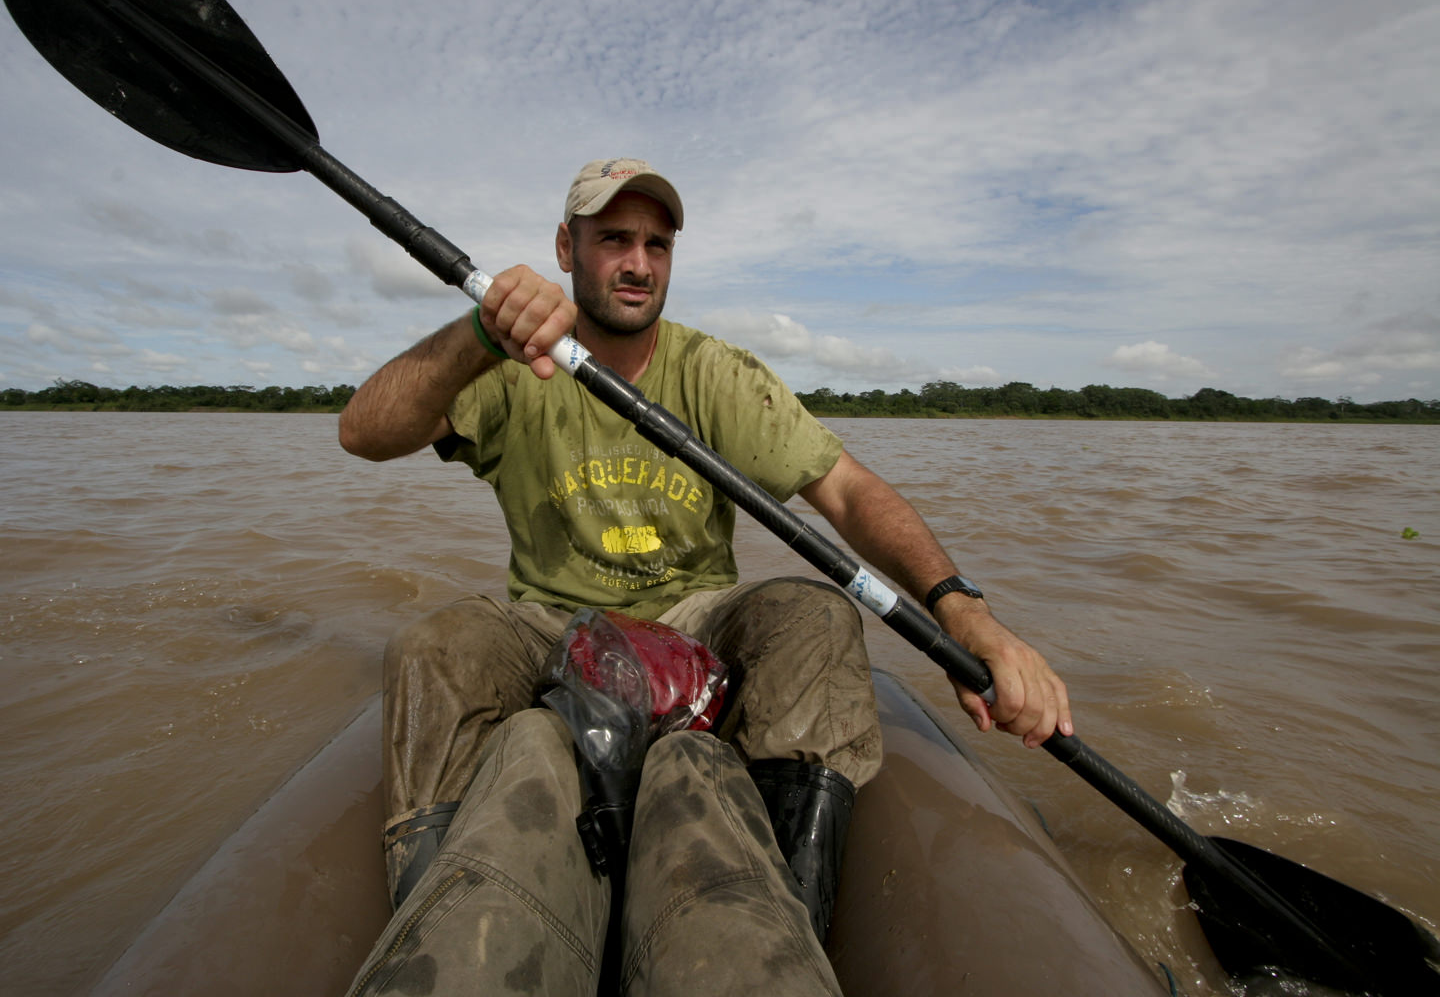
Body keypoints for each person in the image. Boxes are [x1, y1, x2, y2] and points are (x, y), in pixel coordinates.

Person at [337, 158, 1074, 990]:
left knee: (816, 614)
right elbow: (364, 432)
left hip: (696, 617)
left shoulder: (717, 374)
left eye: (658, 243)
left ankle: (783, 913)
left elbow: (848, 490)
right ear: (564, 247)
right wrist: (478, 332)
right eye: (613, 238)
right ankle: (440, 914)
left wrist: (964, 617)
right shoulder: (509, 365)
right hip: (551, 622)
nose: (639, 263)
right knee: (433, 644)